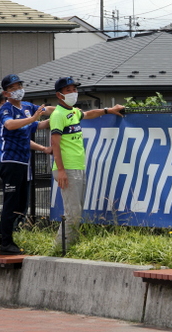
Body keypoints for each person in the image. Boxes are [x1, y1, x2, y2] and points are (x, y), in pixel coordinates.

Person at [50, 76, 125, 247]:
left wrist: (108, 110)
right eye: (68, 90)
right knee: (73, 213)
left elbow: (88, 114)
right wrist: (61, 170)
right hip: (67, 168)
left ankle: (69, 246)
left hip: (77, 167)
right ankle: (59, 249)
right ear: (59, 95)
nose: (73, 92)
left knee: (77, 211)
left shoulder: (73, 112)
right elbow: (55, 143)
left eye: (74, 89)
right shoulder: (58, 114)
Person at [0, 74, 53, 255]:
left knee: (21, 203)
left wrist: (63, 112)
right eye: (13, 88)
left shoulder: (28, 107)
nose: (18, 90)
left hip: (24, 161)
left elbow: (43, 116)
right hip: (10, 161)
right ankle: (6, 243)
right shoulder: (5, 109)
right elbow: (10, 125)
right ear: (6, 93)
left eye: (19, 86)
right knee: (11, 202)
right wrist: (33, 119)